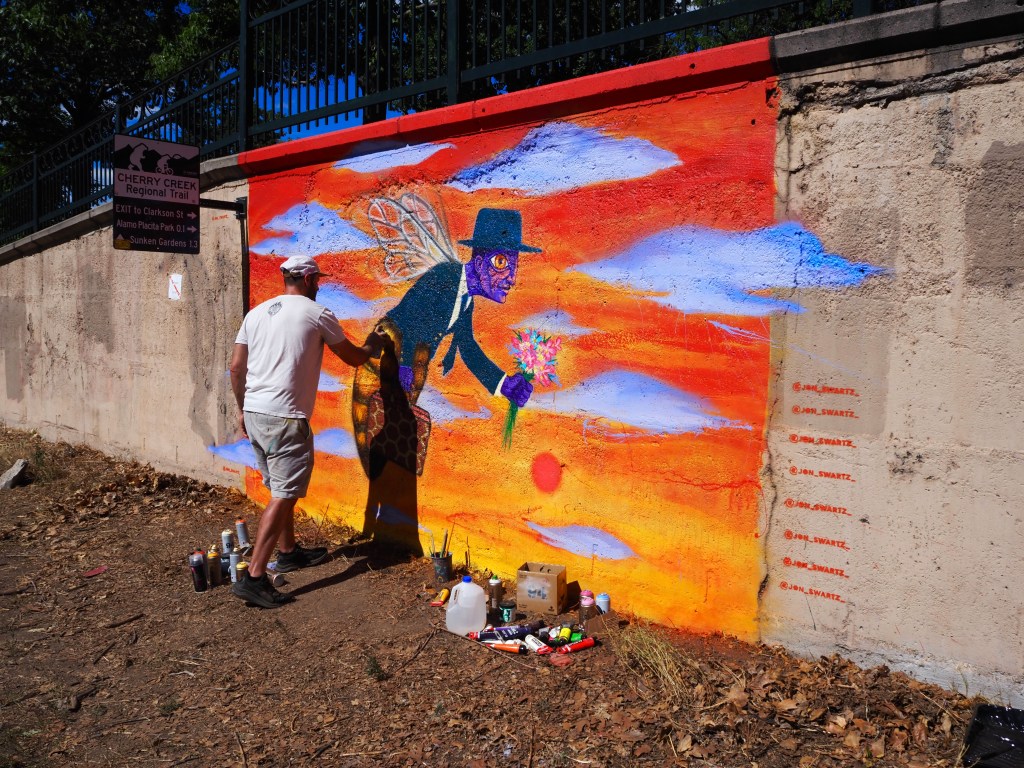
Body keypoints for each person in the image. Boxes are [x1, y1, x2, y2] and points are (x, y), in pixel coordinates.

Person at [229, 254, 388, 609]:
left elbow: (237, 368)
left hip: (255, 412)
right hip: (285, 418)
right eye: (318, 280)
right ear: (308, 279)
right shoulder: (317, 315)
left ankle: (287, 553)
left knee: (278, 487)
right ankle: (254, 577)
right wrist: (374, 346)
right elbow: (354, 358)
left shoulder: (255, 315)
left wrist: (242, 410)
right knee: (284, 493)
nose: (319, 286)